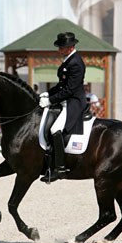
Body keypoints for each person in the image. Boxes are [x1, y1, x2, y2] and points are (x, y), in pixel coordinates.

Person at [39, 32, 87, 182]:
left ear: (71, 47)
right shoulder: (68, 61)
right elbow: (61, 85)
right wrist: (47, 93)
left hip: (74, 102)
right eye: (59, 47)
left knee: (55, 129)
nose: (59, 50)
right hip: (64, 99)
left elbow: (70, 90)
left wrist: (50, 100)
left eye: (62, 47)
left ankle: (60, 169)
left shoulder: (76, 63)